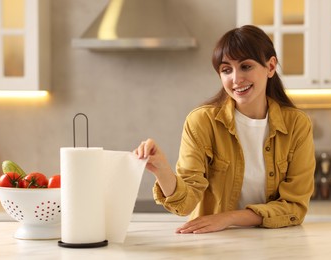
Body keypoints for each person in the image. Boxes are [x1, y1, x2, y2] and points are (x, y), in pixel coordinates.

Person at [134, 25, 315, 234]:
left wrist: (229, 218)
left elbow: (295, 207)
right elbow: (184, 205)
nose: (236, 79)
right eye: (226, 70)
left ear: (271, 66)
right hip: (215, 243)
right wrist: (162, 170)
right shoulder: (202, 121)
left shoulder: (296, 125)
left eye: (246, 66)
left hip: (275, 240)